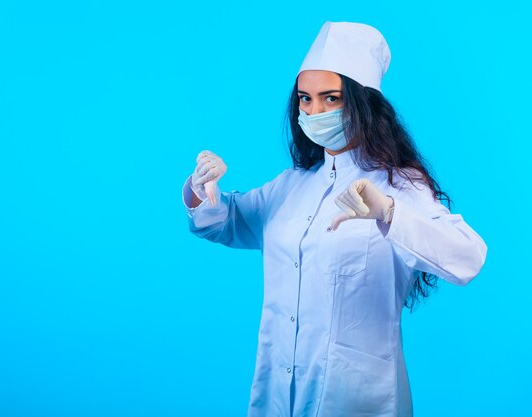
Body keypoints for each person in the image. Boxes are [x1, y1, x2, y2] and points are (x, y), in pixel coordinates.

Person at [181, 21, 487, 417]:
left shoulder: (398, 185)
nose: (314, 112)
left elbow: (468, 258)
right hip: (280, 386)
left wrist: (389, 213)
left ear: (363, 103)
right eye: (305, 100)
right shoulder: (292, 185)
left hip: (357, 394)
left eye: (331, 99)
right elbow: (225, 222)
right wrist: (200, 186)